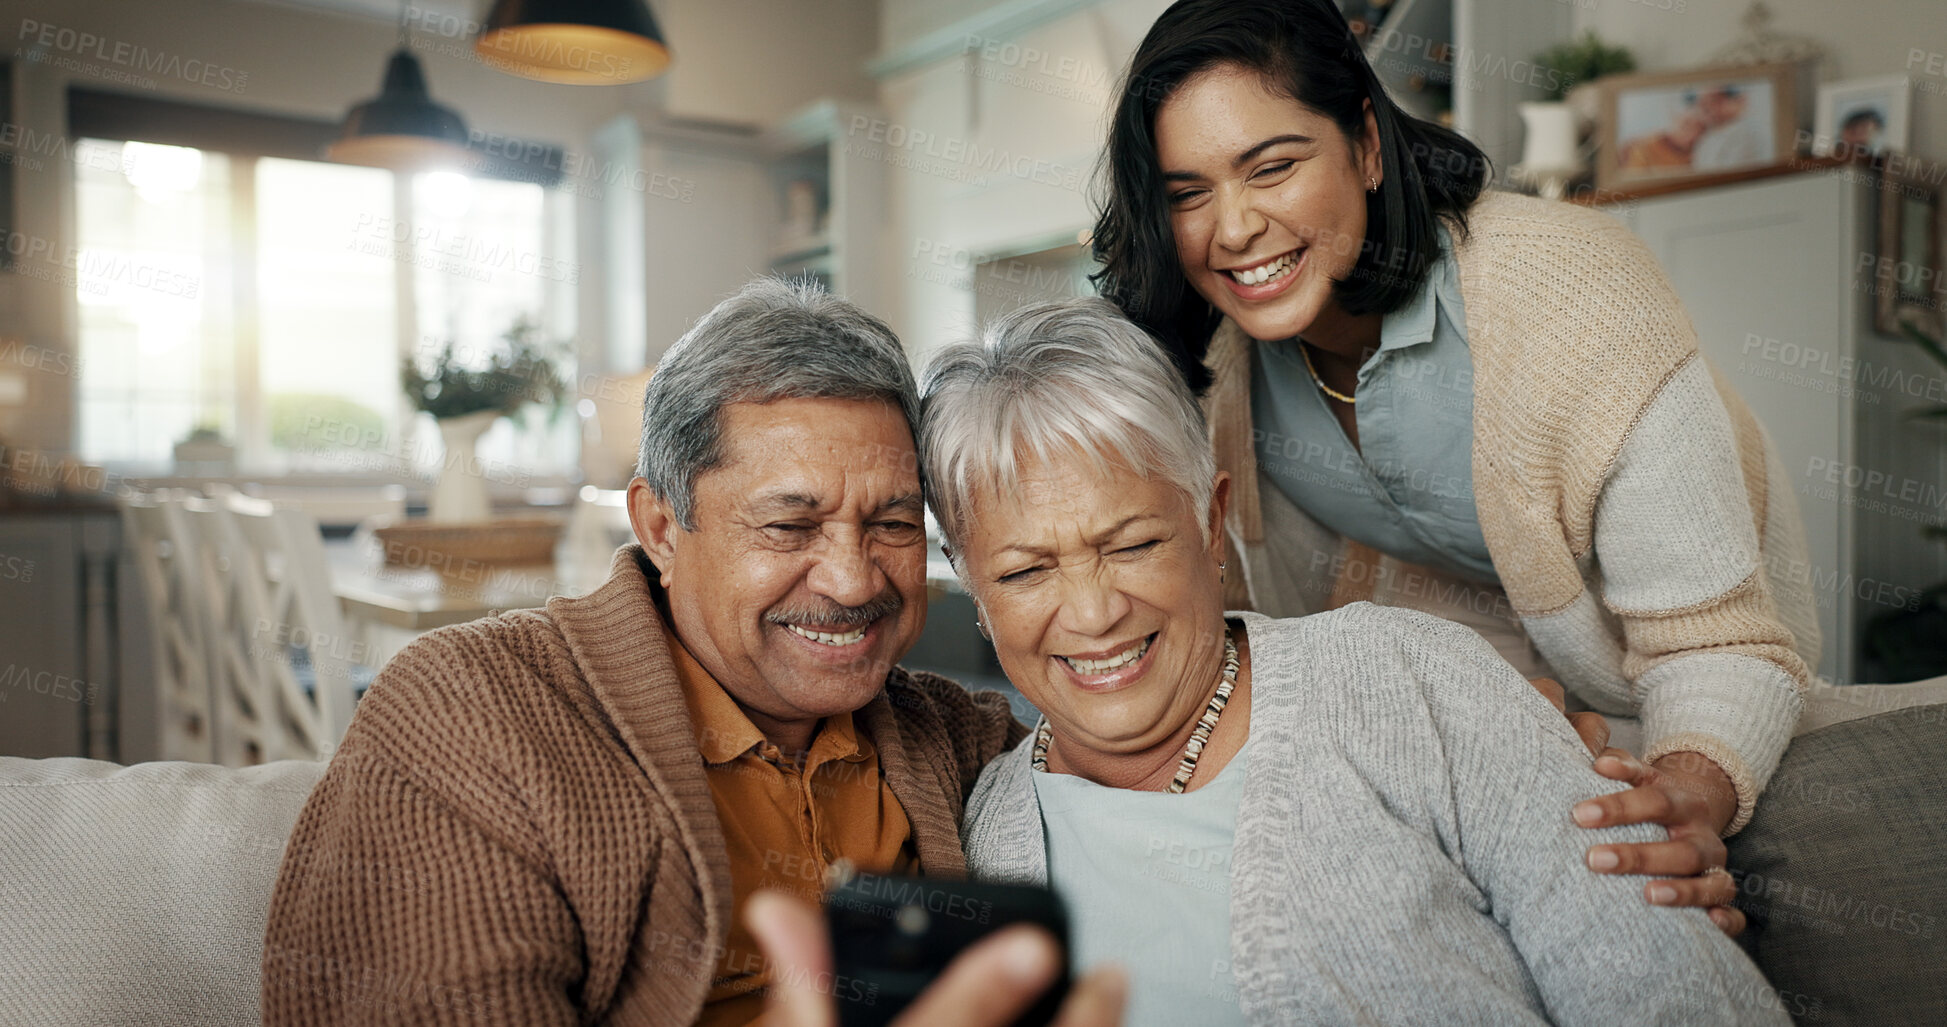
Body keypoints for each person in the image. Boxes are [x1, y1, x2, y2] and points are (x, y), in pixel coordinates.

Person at [1090, 0, 1818, 932]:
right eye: (1186, 193)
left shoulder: (1572, 288)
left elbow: (1721, 642)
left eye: (1272, 167)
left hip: (1698, 675)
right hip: (1500, 710)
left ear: (1364, 143)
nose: (1230, 229)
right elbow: (1284, 639)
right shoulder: (1216, 357)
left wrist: (1684, 792)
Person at [259, 278, 1116, 1026]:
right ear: (661, 527)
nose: (855, 581)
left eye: (893, 524)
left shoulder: (957, 737)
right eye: (789, 524)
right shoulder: (469, 713)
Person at [925, 298, 1790, 1025]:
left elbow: (1679, 993)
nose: (1092, 612)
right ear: (972, 584)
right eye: (1024, 570)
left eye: (1132, 543)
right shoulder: (974, 836)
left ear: (1210, 523)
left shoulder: (1407, 676)